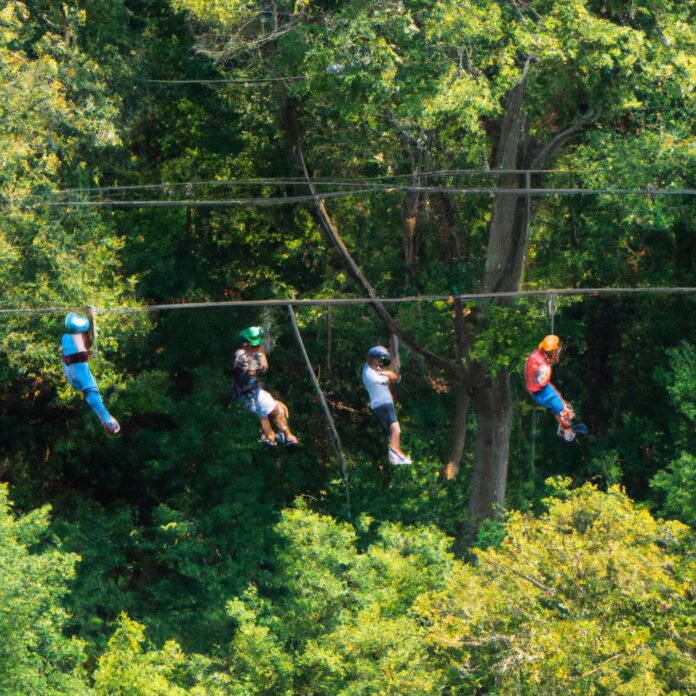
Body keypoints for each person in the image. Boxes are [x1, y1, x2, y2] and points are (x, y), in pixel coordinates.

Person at [232, 326, 298, 446]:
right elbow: (250, 370)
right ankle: (282, 436)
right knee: (273, 410)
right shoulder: (241, 354)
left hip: (250, 393)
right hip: (246, 394)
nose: (255, 348)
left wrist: (259, 355)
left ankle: (277, 436)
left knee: (266, 411)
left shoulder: (256, 353)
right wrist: (257, 357)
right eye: (253, 345)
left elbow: (263, 368)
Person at [61, 311, 120, 434]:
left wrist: (108, 422)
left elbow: (97, 404)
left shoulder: (90, 389)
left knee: (93, 396)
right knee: (74, 336)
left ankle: (83, 319)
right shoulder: (80, 385)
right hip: (71, 361)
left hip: (73, 360)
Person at [525, 334, 585, 442]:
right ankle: (567, 430)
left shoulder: (536, 353)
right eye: (556, 350)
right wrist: (564, 412)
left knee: (561, 406)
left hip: (536, 388)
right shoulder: (545, 368)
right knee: (562, 409)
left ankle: (566, 425)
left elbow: (545, 384)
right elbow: (545, 386)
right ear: (551, 350)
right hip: (539, 392)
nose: (558, 352)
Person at [362, 345, 412, 465]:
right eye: (379, 359)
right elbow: (393, 377)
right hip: (382, 404)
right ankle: (394, 456)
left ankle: (398, 455)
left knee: (393, 432)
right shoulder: (371, 375)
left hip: (382, 404)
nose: (381, 362)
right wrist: (391, 373)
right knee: (396, 430)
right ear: (374, 359)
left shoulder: (370, 368)